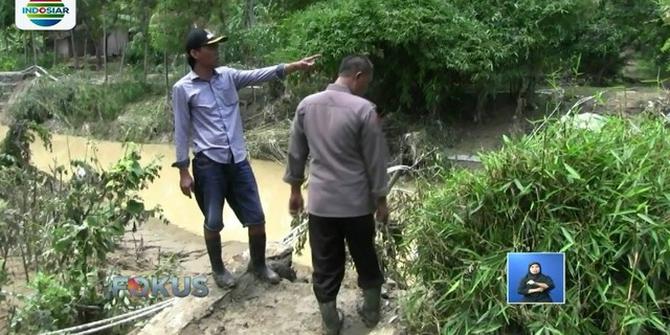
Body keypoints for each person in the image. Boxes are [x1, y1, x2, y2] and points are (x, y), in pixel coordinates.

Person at [171, 27, 319, 289]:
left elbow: (260, 74)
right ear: (194, 53)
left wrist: (294, 66)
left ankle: (259, 265)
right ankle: (218, 270)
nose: (216, 51)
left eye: (217, 46)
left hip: (238, 160)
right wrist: (183, 171)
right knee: (213, 220)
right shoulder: (183, 89)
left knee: (257, 217)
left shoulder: (228, 76)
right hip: (208, 164)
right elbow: (181, 130)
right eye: (211, 47)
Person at [283, 55, 390, 335]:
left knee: (325, 263)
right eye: (366, 81)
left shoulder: (307, 105)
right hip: (356, 204)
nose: (366, 87)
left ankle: (331, 322)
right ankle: (371, 311)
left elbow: (296, 153)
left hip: (321, 204)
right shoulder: (365, 110)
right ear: (358, 75)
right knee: (365, 255)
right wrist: (381, 201)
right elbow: (375, 161)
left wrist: (295, 190)